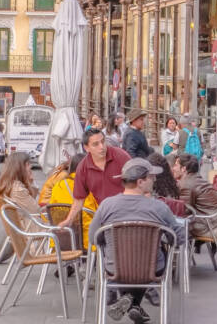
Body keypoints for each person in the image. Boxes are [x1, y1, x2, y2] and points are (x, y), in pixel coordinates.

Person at [87, 158, 186, 323]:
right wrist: (163, 237)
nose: (154, 179)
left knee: (127, 261)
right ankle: (132, 303)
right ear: (140, 182)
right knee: (150, 258)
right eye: (151, 177)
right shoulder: (159, 207)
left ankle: (128, 302)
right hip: (151, 269)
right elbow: (180, 238)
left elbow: (93, 238)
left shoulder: (106, 205)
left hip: (115, 267)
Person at [57, 127, 131, 227]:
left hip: (128, 213)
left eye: (103, 141)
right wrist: (68, 220)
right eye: (96, 144)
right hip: (106, 217)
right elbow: (79, 199)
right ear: (86, 148)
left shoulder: (121, 156)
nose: (102, 147)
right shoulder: (83, 168)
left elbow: (137, 183)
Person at [48, 153, 98, 248]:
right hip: (86, 240)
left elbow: (51, 210)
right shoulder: (91, 186)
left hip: (61, 238)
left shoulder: (58, 186)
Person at [174, 153, 217, 236]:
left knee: (173, 224)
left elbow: (184, 211)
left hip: (208, 224)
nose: (173, 168)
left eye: (176, 165)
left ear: (183, 169)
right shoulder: (197, 178)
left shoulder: (186, 184)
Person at [0, 150, 41, 221]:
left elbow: (30, 204)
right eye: (28, 164)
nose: (31, 167)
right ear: (20, 167)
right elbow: (36, 210)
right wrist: (32, 184)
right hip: (30, 227)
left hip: (21, 224)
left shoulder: (8, 184)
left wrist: (30, 182)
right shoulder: (18, 190)